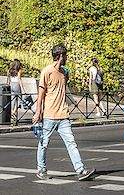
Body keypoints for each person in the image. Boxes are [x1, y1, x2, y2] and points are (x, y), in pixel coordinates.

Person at [33, 44, 95, 182]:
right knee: (44, 144)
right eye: (65, 55)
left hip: (63, 115)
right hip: (49, 115)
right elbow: (41, 94)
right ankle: (41, 169)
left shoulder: (64, 72)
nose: (67, 58)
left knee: (71, 143)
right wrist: (38, 112)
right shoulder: (47, 72)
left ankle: (80, 170)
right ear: (61, 56)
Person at [8, 59, 30, 123]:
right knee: (19, 99)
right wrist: (23, 90)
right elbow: (19, 80)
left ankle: (12, 112)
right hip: (16, 85)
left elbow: (8, 79)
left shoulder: (10, 70)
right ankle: (14, 112)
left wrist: (8, 85)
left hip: (11, 85)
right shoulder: (18, 71)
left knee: (13, 100)